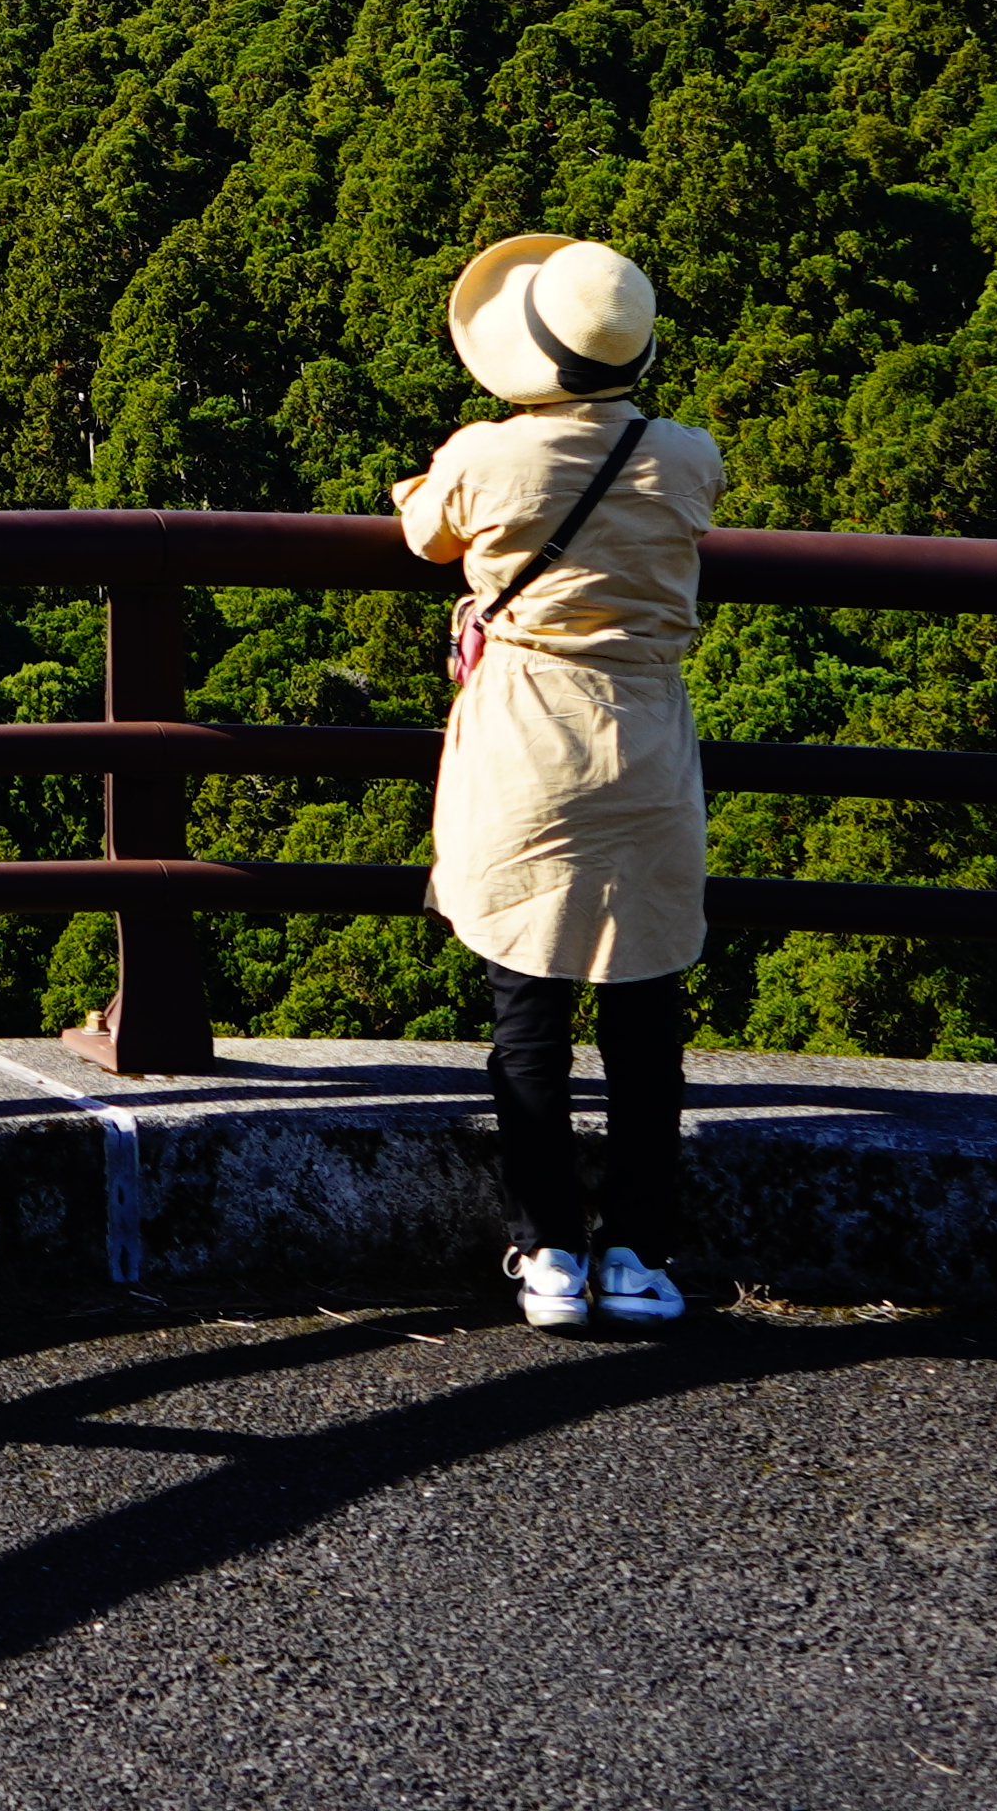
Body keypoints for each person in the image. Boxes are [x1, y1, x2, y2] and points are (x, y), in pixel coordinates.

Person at [401, 231, 720, 1332]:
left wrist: (437, 480)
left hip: (530, 745)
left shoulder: (487, 455)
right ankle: (638, 1252)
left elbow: (423, 531)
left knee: (528, 1007)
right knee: (645, 1015)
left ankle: (547, 1254)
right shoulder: (689, 454)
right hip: (648, 747)